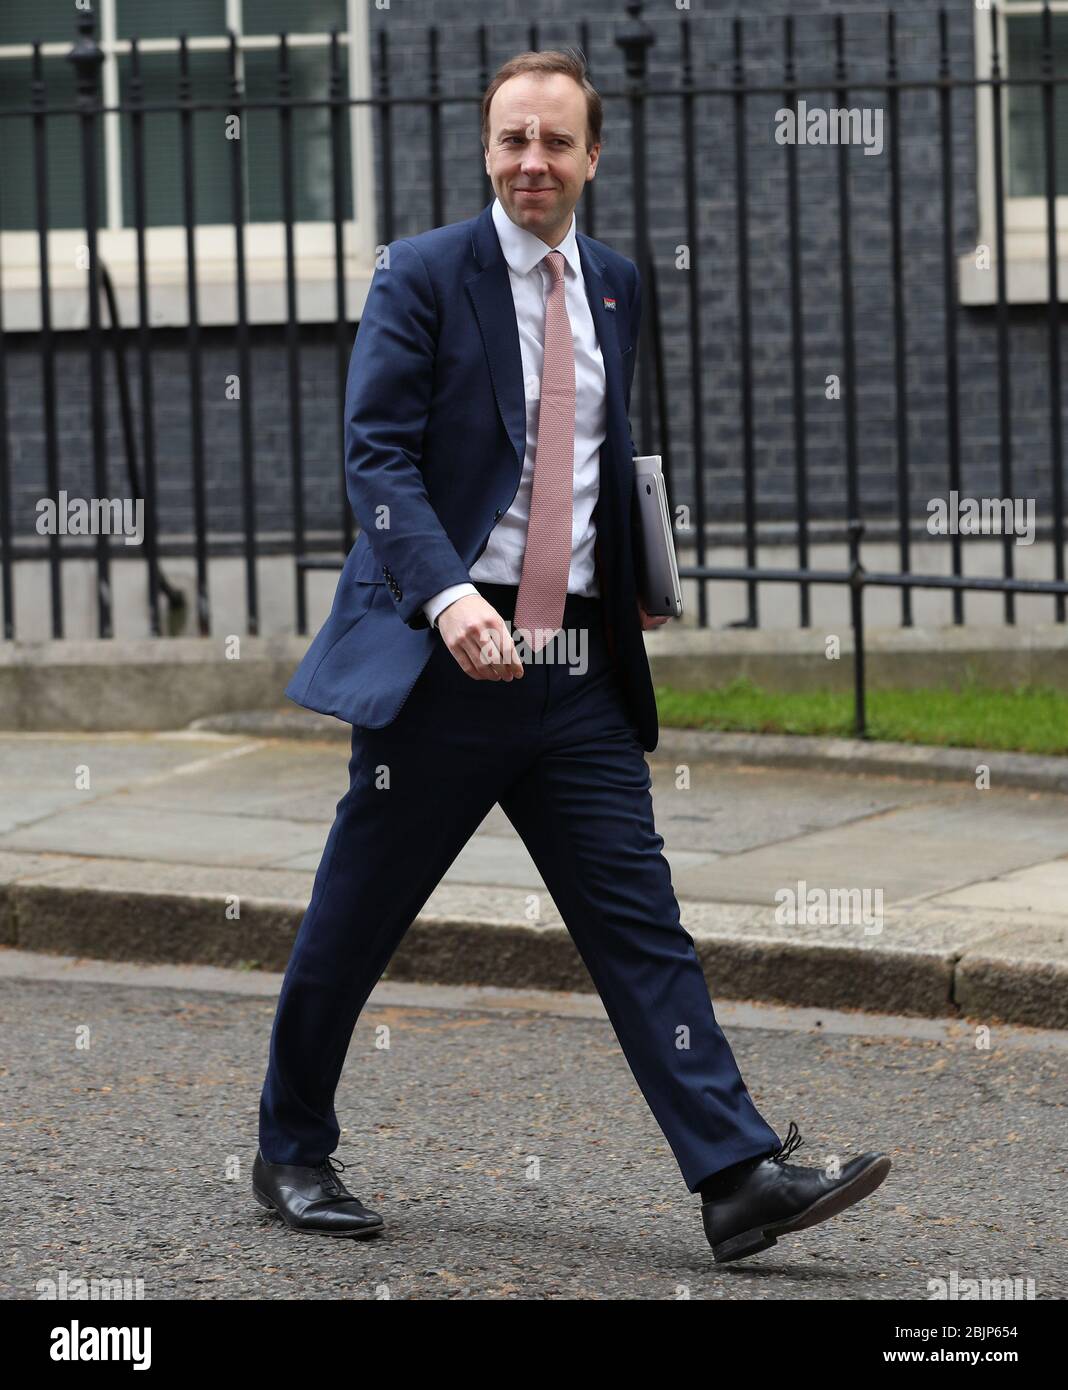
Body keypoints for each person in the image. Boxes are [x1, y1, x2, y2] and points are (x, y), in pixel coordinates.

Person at [253, 48, 890, 1263]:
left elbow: (595, 451)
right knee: (357, 915)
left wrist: (633, 573)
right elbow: (377, 458)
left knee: (640, 922)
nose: (531, 162)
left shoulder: (612, 283)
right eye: (511, 142)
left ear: (593, 157)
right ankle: (290, 1146)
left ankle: (735, 1174)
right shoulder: (423, 276)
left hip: (576, 670)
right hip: (446, 663)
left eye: (555, 142)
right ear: (486, 152)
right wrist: (447, 600)